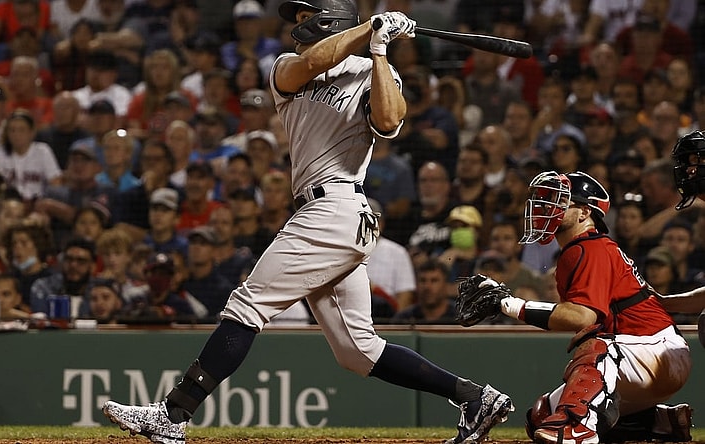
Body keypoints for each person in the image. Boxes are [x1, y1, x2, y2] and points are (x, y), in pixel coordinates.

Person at [102, 3, 513, 444]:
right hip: (324, 213)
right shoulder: (288, 66)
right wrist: (369, 31)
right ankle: (475, 397)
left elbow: (391, 122)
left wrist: (378, 51)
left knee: (247, 305)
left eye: (304, 15)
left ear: (331, 16)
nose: (296, 24)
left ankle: (173, 414)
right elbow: (314, 62)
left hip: (338, 206)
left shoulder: (373, 68)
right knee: (358, 351)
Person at [491, 170, 691, 443]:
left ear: (584, 213)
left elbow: (581, 317)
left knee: (594, 346)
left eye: (560, 201)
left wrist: (509, 305)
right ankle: (658, 422)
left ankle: (579, 428)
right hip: (645, 355)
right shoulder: (581, 249)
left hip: (655, 349)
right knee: (542, 415)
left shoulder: (590, 247)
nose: (548, 207)